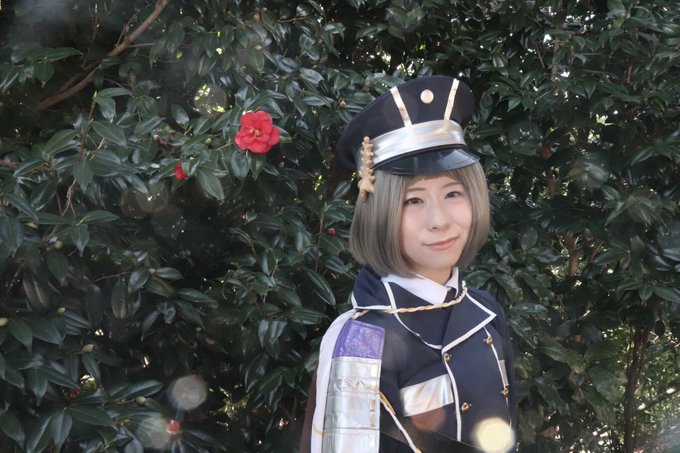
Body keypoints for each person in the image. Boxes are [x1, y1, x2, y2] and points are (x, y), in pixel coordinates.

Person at [300, 75, 517, 453]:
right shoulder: (362, 339)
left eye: (453, 193)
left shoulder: (485, 312)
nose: (439, 220)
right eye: (413, 201)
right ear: (379, 211)